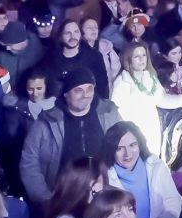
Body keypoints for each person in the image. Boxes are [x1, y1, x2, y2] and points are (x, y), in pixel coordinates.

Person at [21, 66, 125, 204]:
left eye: (90, 89)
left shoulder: (109, 113)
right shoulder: (47, 122)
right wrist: (46, 199)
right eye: (78, 90)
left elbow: (124, 148)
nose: (86, 95)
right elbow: (29, 162)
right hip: (62, 199)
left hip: (103, 198)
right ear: (66, 94)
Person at [102, 121, 182, 218]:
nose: (127, 154)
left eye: (132, 145)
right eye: (119, 148)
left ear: (140, 144)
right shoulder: (104, 177)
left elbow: (173, 199)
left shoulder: (156, 167)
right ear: (111, 150)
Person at [112, 43, 182, 159]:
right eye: (137, 56)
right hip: (133, 132)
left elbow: (163, 100)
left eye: (144, 55)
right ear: (128, 59)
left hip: (152, 128)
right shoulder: (122, 82)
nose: (142, 59)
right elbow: (117, 112)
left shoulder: (150, 78)